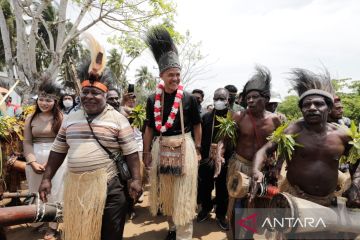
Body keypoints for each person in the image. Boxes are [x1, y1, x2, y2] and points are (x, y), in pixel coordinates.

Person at [39, 35, 142, 240]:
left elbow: (131, 154)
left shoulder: (118, 119)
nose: (89, 96)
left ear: (105, 96)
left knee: (109, 234)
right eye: (85, 92)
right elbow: (58, 151)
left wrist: (137, 179)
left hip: (110, 188)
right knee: (83, 234)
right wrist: (47, 178)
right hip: (77, 188)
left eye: (95, 93)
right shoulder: (70, 119)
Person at [252, 68, 360, 239]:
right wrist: (256, 171)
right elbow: (264, 150)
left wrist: (355, 184)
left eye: (318, 104)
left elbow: (357, 159)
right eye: (306, 105)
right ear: (301, 109)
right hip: (295, 199)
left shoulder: (343, 135)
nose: (312, 108)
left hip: (328, 202)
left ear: (329, 107)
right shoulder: (293, 129)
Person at [143, 26, 202, 240]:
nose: (175, 78)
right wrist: (146, 152)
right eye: (171, 75)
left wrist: (197, 149)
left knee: (184, 195)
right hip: (161, 145)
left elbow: (197, 125)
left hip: (183, 146)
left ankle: (184, 235)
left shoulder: (188, 98)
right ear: (162, 75)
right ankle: (173, 229)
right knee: (167, 193)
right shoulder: (152, 99)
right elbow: (149, 127)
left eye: (178, 74)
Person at [219, 66, 282, 239]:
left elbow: (283, 146)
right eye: (248, 97)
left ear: (266, 99)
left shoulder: (276, 120)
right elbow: (224, 139)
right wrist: (219, 155)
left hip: (264, 170)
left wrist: (277, 166)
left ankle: (248, 235)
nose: (251, 101)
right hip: (240, 166)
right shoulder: (238, 116)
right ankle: (234, 234)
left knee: (256, 205)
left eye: (255, 97)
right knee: (237, 203)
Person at [23, 80, 66, 240]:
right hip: (34, 160)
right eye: (41, 99)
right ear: (37, 99)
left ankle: (53, 226)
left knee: (55, 192)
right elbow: (27, 142)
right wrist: (32, 161)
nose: (44, 103)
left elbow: (62, 142)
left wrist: (49, 164)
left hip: (57, 160)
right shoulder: (30, 118)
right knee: (35, 191)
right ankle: (40, 220)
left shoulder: (61, 117)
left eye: (48, 100)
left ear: (55, 102)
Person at [197, 88, 230, 230]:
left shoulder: (233, 118)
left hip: (225, 160)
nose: (218, 101)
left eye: (222, 98)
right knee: (205, 186)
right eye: (216, 98)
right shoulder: (206, 117)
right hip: (206, 158)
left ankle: (221, 215)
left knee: (223, 188)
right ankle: (206, 208)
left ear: (228, 100)